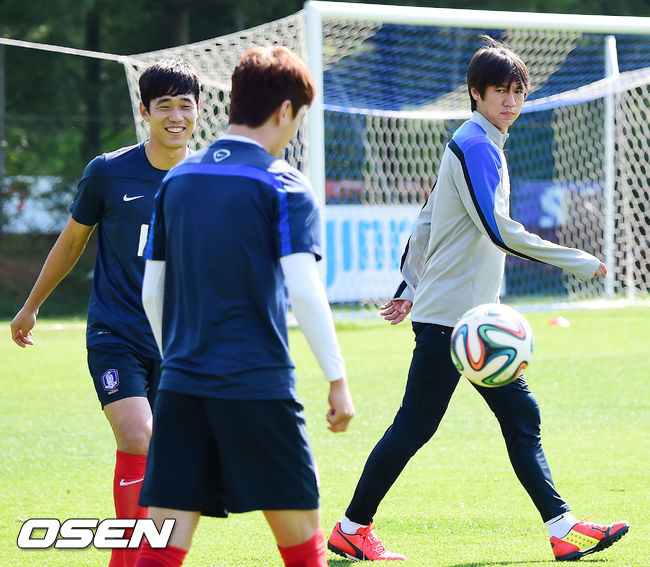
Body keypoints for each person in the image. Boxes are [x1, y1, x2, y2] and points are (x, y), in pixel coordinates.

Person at [327, 36, 629, 563]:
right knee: (418, 425)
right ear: (476, 93)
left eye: (518, 92)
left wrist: (409, 288)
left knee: (518, 417)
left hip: (467, 320)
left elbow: (425, 223)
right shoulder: (477, 145)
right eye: (499, 91)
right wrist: (576, 260)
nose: (510, 101)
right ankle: (352, 528)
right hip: (456, 322)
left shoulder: (476, 141)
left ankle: (563, 528)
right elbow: (498, 229)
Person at [134, 45, 355, 567]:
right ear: (285, 110)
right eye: (299, 119)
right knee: (304, 550)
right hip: (258, 387)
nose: (295, 131)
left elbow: (151, 292)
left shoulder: (177, 180)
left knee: (162, 551)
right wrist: (337, 379)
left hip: (181, 387)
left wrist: (179, 359)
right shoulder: (284, 183)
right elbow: (304, 290)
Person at [10, 58, 200, 567]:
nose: (176, 116)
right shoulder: (108, 172)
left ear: (199, 111)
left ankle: (133, 558)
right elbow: (72, 242)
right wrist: (31, 306)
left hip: (181, 341)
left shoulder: (210, 179)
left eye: (185, 105)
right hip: (117, 334)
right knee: (137, 434)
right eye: (164, 106)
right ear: (144, 111)